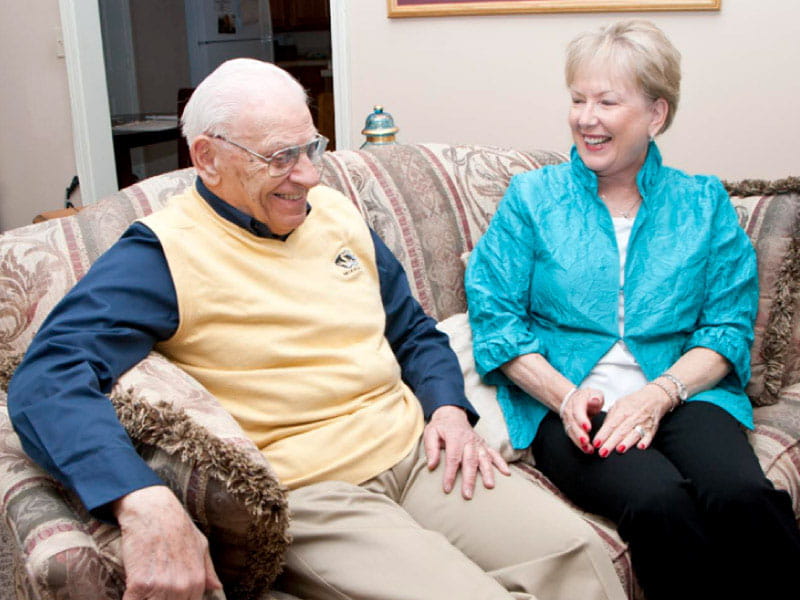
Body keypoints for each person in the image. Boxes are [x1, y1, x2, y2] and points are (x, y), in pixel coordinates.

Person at [8, 58, 627, 600]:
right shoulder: (161, 254)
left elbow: (412, 331)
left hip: (417, 454)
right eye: (280, 157)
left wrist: (446, 410)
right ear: (208, 158)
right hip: (316, 493)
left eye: (312, 148)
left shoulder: (333, 213)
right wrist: (138, 496)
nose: (307, 175)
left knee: (579, 559)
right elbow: (45, 377)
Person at [465, 20, 800, 600]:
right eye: (578, 99)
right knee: (658, 501)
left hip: (682, 389)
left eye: (607, 102)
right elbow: (495, 321)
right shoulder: (532, 198)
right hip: (572, 401)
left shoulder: (702, 202)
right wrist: (565, 397)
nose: (586, 118)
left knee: (741, 495)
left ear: (655, 115)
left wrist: (659, 393)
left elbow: (726, 324)